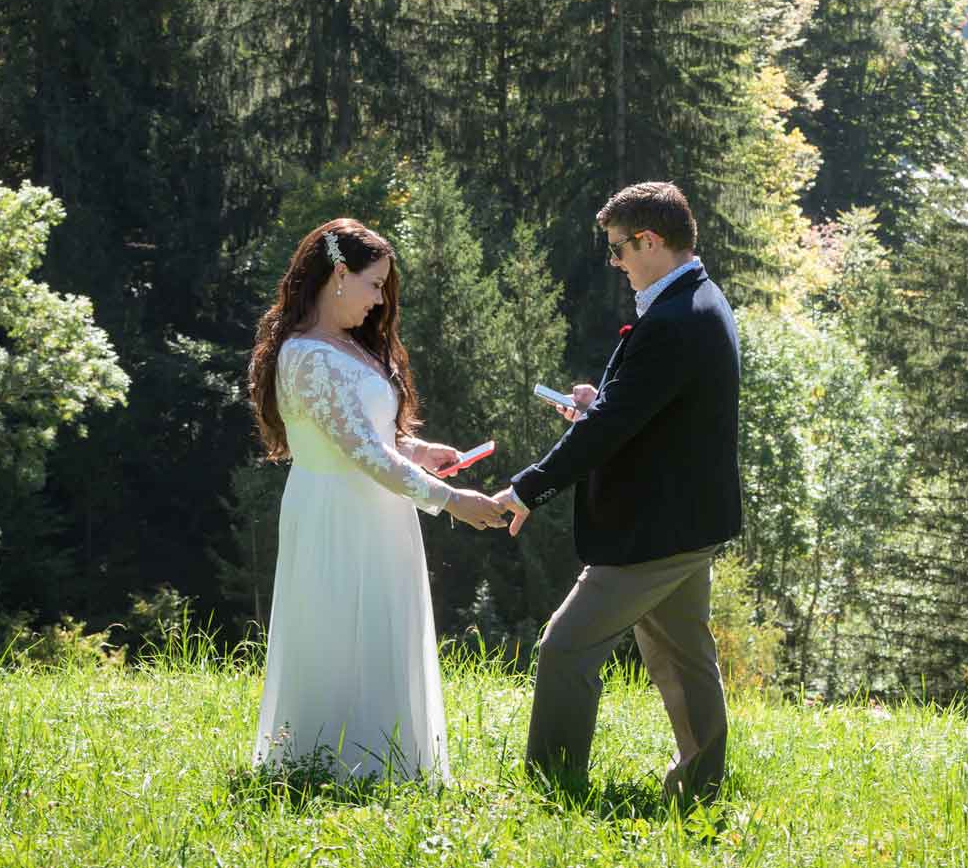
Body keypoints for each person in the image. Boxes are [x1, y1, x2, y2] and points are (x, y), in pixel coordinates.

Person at [495, 181, 743, 802]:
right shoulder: (696, 300)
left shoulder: (676, 319)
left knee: (565, 649)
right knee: (684, 658)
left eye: (618, 249)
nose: (615, 262)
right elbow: (641, 411)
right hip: (685, 520)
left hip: (653, 530)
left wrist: (527, 489)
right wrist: (597, 405)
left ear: (650, 240)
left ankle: (553, 788)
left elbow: (613, 430)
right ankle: (702, 789)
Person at [247, 218, 507, 782]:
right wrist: (449, 500)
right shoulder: (307, 355)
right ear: (340, 275)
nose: (378, 300)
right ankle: (330, 766)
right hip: (336, 511)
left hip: (380, 509)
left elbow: (374, 437)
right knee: (342, 628)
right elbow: (360, 452)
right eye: (373, 284)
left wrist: (418, 449)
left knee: (383, 627)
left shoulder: (349, 346)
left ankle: (391, 764)